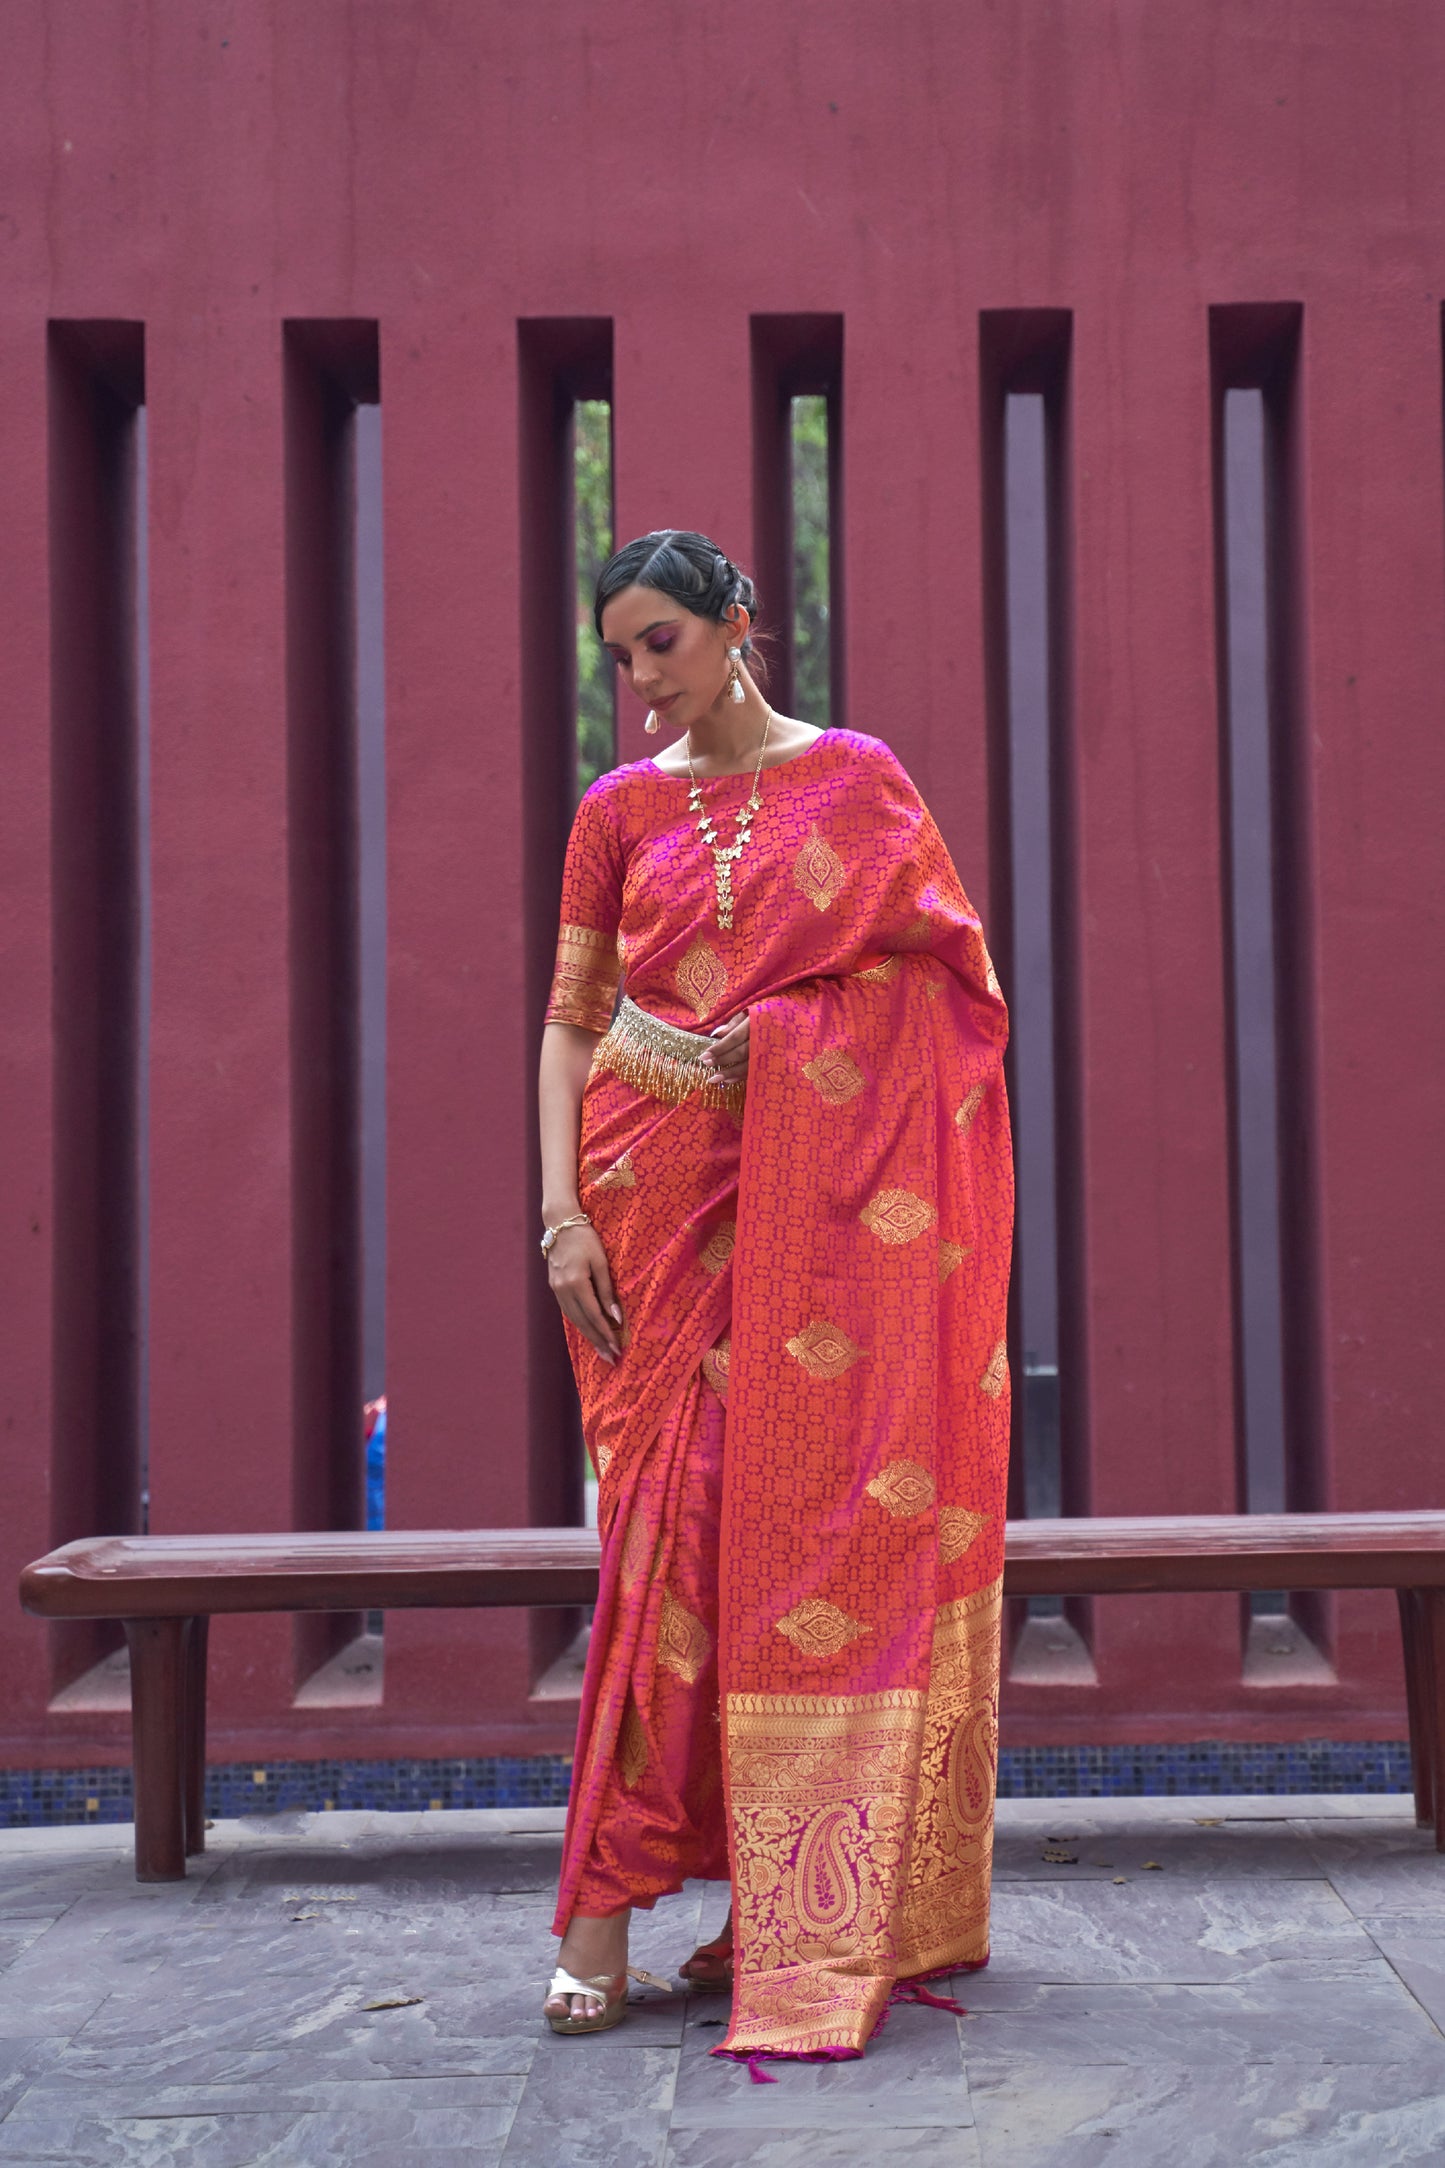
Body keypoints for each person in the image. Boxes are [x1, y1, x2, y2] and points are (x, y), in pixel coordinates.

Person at [536, 529, 1013, 2070]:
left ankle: (789, 1906)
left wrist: (802, 1046)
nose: (640, 679)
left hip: (813, 1211)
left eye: (661, 641)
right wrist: (556, 1215)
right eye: (619, 654)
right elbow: (572, 1024)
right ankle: (597, 1915)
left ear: (741, 626)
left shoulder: (860, 781)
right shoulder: (614, 812)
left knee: (783, 1537)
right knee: (654, 1549)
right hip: (639, 1200)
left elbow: (951, 997)